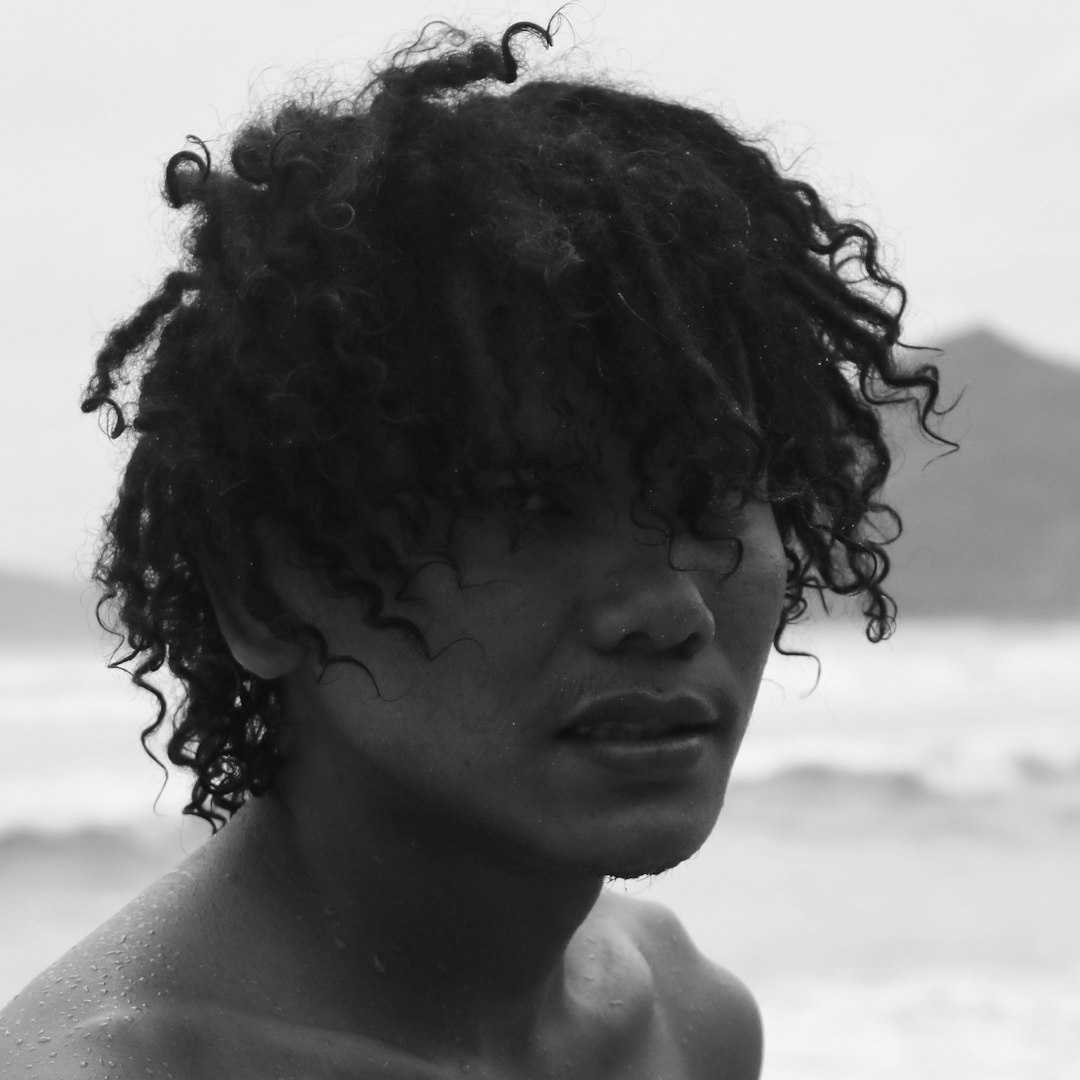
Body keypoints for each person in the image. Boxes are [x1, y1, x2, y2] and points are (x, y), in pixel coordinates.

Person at [1, 20, 943, 1079]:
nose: (670, 610)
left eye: (712, 496)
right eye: (532, 508)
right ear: (264, 594)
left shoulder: (686, 1024)